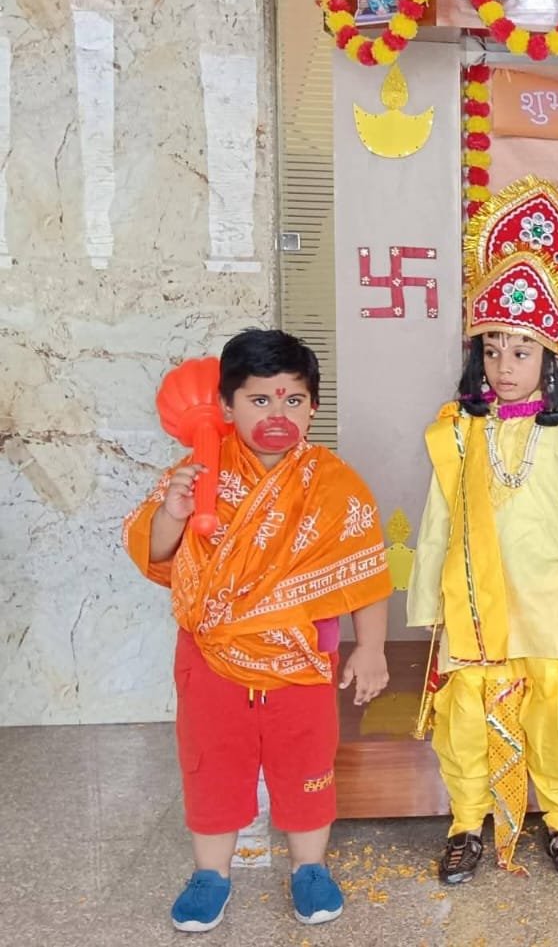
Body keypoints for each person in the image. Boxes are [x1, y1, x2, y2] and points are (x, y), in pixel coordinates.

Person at [123, 328, 393, 932]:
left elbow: (366, 573)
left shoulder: (335, 484)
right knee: (211, 763)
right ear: (226, 406)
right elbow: (155, 555)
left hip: (303, 657)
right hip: (210, 656)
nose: (278, 414)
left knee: (306, 762)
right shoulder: (197, 473)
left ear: (313, 406)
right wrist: (172, 512)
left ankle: (310, 867)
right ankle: (210, 874)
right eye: (260, 399)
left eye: (292, 399)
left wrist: (371, 648)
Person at [406, 177, 558, 885]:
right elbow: (439, 519)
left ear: (550, 358)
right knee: (465, 719)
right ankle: (466, 824)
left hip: (552, 608)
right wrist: (429, 602)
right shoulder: (458, 431)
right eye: (492, 350)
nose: (504, 365)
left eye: (521, 351)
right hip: (474, 610)